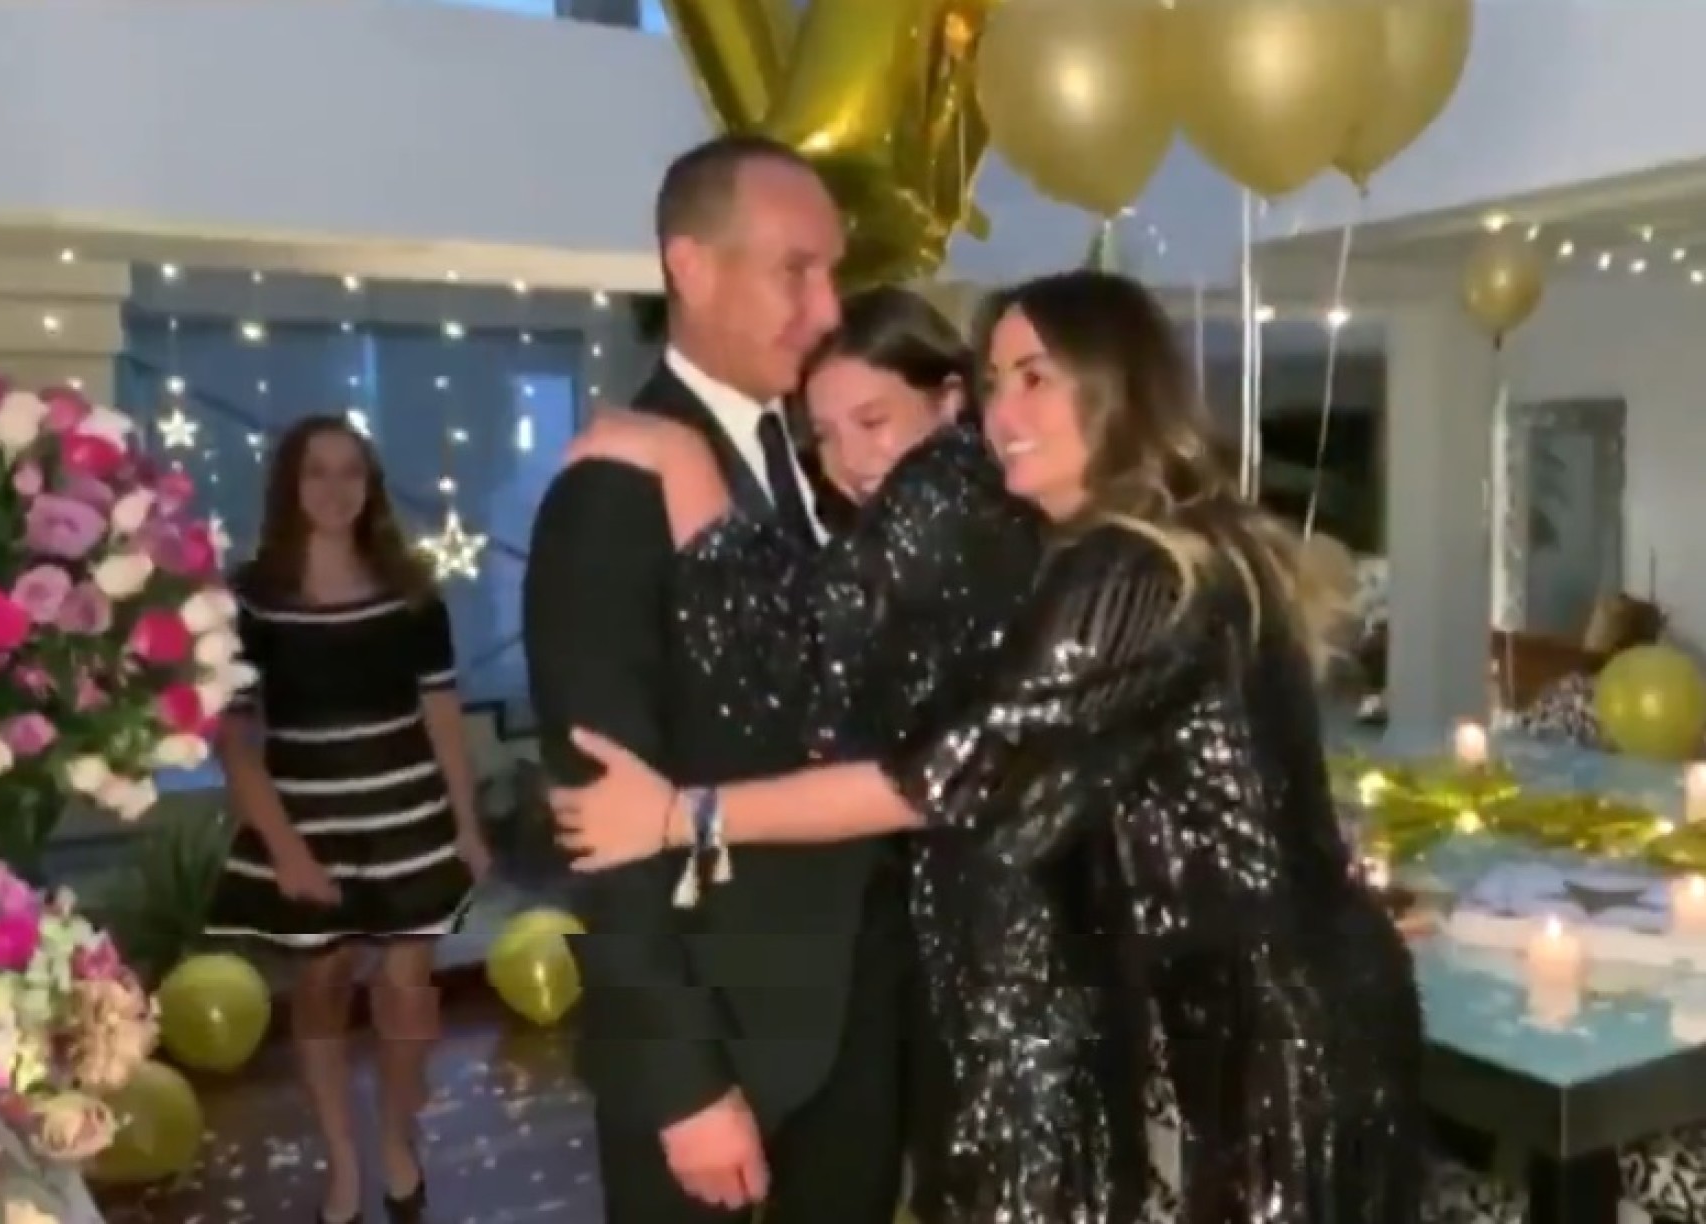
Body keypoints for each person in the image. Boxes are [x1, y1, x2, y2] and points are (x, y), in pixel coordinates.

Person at [550, 270, 1427, 1224]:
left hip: (1274, 1022)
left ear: (1118, 384)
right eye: (997, 380)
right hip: (1254, 1000)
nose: (1002, 413)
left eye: (1035, 378)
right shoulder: (1145, 542)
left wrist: (681, 815)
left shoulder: (1134, 564)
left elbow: (940, 776)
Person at [565, 284, 1046, 1219]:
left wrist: (681, 461)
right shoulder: (965, 507)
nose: (852, 458)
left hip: (1000, 942)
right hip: (964, 940)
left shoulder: (947, 486)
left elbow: (801, 652)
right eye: (824, 434)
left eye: (874, 419)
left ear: (951, 399)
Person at [522, 134, 909, 1224]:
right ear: (690, 268)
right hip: (722, 1046)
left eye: (834, 273)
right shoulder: (613, 489)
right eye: (797, 270)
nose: (827, 308)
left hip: (861, 1030)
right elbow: (600, 813)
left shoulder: (836, 466)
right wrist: (681, 1083)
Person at [207, 416, 492, 1224]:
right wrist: (284, 851)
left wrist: (467, 824)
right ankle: (342, 1159)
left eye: (350, 472)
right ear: (288, 487)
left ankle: (398, 1138)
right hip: (307, 821)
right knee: (323, 985)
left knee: (407, 991)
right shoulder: (249, 600)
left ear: (371, 486)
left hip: (410, 817)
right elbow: (233, 739)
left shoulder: (413, 593)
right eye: (316, 472)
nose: (335, 489)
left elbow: (443, 716)